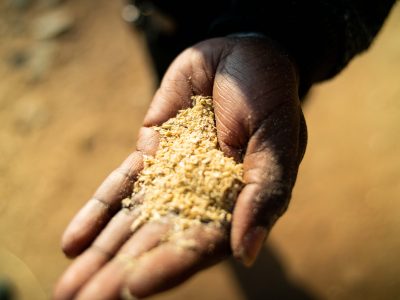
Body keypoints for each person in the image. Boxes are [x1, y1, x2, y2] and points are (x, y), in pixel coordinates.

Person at [53, 1, 396, 299]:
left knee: (265, 108)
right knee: (169, 74)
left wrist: (276, 32)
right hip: (166, 25)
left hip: (261, 22)